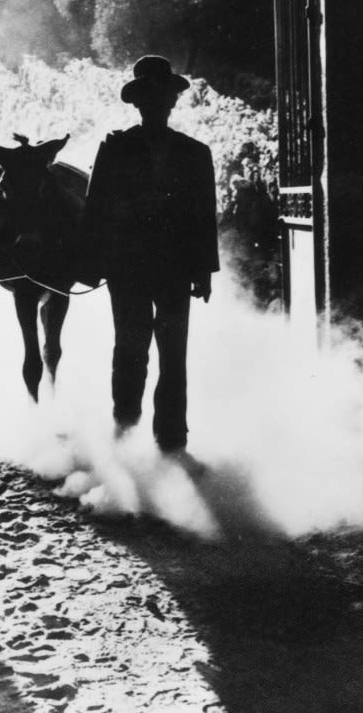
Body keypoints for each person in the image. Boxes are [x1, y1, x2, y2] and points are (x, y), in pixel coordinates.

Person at [84, 56, 219, 453]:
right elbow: (96, 208)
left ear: (173, 103)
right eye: (148, 99)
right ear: (137, 104)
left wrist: (204, 271)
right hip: (127, 266)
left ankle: (172, 439)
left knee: (174, 354)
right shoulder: (114, 149)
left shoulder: (195, 153)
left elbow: (203, 216)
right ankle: (124, 430)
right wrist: (94, 262)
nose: (157, 105)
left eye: (164, 98)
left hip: (176, 267)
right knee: (130, 349)